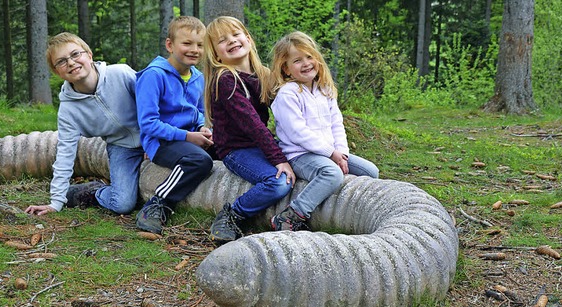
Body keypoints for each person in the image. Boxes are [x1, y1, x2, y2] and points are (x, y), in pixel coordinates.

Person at [269, 31, 379, 231]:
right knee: (332, 173)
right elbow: (298, 133)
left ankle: (353, 214)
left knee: (370, 171)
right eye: (297, 60)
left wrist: (342, 153)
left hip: (329, 151)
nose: (306, 63)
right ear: (286, 69)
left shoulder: (324, 90)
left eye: (310, 57)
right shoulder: (288, 94)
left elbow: (336, 124)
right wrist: (331, 154)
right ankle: (291, 215)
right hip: (299, 154)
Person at [25, 32, 143, 216]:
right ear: (57, 72)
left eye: (75, 54)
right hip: (122, 146)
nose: (71, 63)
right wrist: (56, 202)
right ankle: (93, 191)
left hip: (152, 134)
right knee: (123, 204)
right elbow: (65, 153)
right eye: (62, 61)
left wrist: (154, 142)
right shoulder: (68, 110)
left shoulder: (121, 74)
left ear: (89, 55)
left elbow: (153, 105)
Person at [203, 16, 296, 243]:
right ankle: (232, 215)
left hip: (259, 145)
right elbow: (253, 125)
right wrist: (279, 160)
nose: (232, 41)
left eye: (236, 34)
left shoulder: (264, 75)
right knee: (277, 182)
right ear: (216, 54)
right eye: (223, 40)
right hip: (236, 150)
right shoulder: (226, 79)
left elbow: (291, 110)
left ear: (248, 38)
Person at [134, 16, 214, 234]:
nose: (194, 50)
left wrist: (201, 128)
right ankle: (157, 204)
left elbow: (197, 112)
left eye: (199, 45)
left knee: (226, 142)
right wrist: (189, 137)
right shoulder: (154, 76)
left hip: (188, 136)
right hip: (161, 142)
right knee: (199, 161)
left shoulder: (198, 77)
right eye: (187, 43)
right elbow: (149, 124)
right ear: (170, 45)